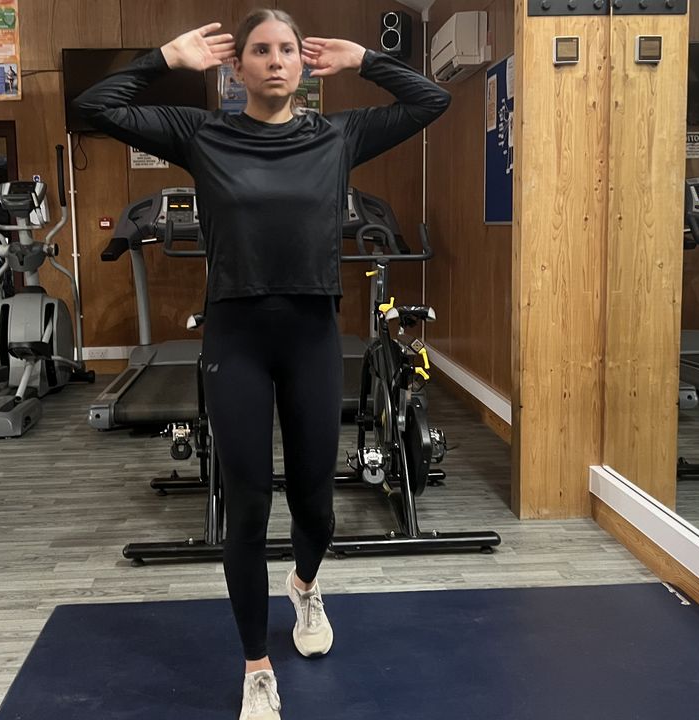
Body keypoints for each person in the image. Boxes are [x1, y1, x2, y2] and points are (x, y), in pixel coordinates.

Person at [73, 9, 449, 719]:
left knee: (316, 504)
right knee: (247, 506)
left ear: (304, 66)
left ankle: (305, 587)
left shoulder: (337, 135)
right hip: (237, 337)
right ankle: (255, 668)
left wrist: (366, 58)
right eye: (259, 51)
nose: (275, 61)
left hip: (311, 334)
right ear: (235, 67)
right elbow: (95, 104)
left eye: (286, 50)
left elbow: (432, 100)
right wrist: (163, 57)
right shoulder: (201, 133)